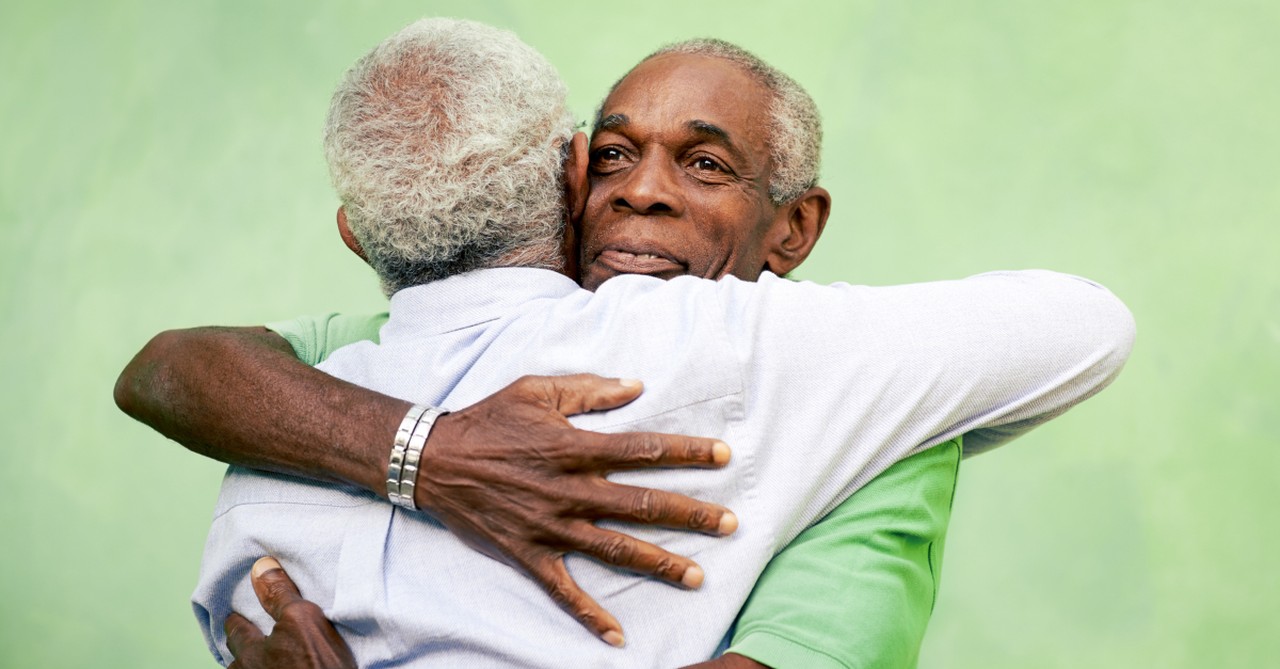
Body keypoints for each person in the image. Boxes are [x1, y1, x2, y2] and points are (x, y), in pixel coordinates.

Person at [117, 19, 1133, 668]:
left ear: (794, 229)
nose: (641, 189)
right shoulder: (376, 351)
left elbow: (1084, 323)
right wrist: (433, 452)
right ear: (565, 181)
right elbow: (174, 369)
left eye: (703, 164)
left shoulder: (866, 411)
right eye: (612, 154)